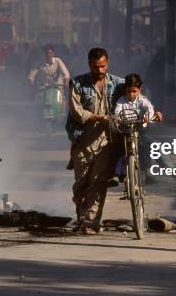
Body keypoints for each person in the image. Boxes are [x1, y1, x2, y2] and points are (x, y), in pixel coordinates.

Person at [66, 47, 124, 235]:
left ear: (107, 64)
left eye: (103, 66)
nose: (99, 71)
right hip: (82, 140)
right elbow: (76, 112)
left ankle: (90, 223)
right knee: (81, 184)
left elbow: (135, 94)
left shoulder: (117, 83)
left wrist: (149, 110)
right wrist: (95, 117)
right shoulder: (77, 84)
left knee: (98, 183)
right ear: (89, 64)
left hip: (106, 141)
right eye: (95, 67)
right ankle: (82, 216)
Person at [108, 73, 162, 187]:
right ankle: (117, 174)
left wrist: (148, 116)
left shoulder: (143, 100)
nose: (131, 94)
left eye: (134, 91)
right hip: (125, 129)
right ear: (125, 90)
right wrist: (116, 119)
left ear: (139, 90)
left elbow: (149, 109)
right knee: (118, 148)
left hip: (139, 130)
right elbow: (117, 112)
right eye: (128, 91)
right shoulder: (121, 101)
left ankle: (147, 173)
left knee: (145, 146)